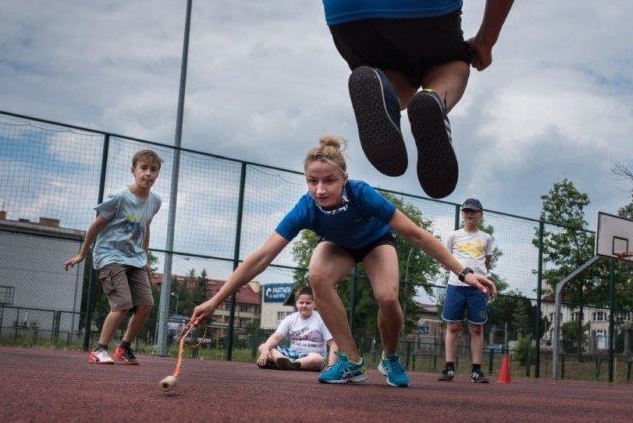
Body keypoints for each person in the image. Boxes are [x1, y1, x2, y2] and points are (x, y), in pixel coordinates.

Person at [191, 136, 496, 388]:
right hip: (339, 245)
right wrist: (215, 300)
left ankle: (390, 358)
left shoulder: (362, 194)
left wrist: (464, 272)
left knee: (387, 297)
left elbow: (417, 235)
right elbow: (261, 257)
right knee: (317, 275)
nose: (320, 189)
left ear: (344, 179)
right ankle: (350, 360)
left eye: (329, 181)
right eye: (312, 181)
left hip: (376, 242)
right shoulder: (306, 208)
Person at [302, 0, 531, 199]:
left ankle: (387, 92)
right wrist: (486, 40)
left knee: (392, 75)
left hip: (345, 6)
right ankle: (435, 100)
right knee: (452, 65)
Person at [64, 149, 163, 365]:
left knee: (146, 304)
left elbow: (145, 228)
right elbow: (95, 226)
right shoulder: (119, 198)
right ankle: (99, 350)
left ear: (157, 174)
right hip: (110, 256)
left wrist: (144, 260)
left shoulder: (155, 201)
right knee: (123, 303)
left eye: (153, 170)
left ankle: (124, 348)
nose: (148, 173)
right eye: (143, 168)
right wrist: (83, 253)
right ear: (133, 171)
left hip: (135, 258)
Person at [438, 197, 494, 383]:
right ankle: (449, 368)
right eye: (466, 211)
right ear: (462, 214)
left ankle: (477, 371)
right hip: (455, 286)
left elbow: (486, 262)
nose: (469, 214)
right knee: (453, 326)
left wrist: (480, 278)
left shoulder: (486, 238)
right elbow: (445, 260)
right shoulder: (453, 236)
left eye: (473, 211)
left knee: (476, 328)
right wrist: (450, 267)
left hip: (477, 289)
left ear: (480, 214)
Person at [256, 286, 337, 372]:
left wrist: (331, 368)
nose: (304, 305)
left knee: (318, 359)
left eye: (308, 303)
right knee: (263, 346)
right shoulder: (290, 319)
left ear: (315, 304)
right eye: (301, 302)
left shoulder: (321, 320)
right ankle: (283, 361)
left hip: (311, 356)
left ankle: (287, 364)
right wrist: (265, 351)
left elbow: (333, 344)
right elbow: (276, 337)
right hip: (291, 354)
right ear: (296, 303)